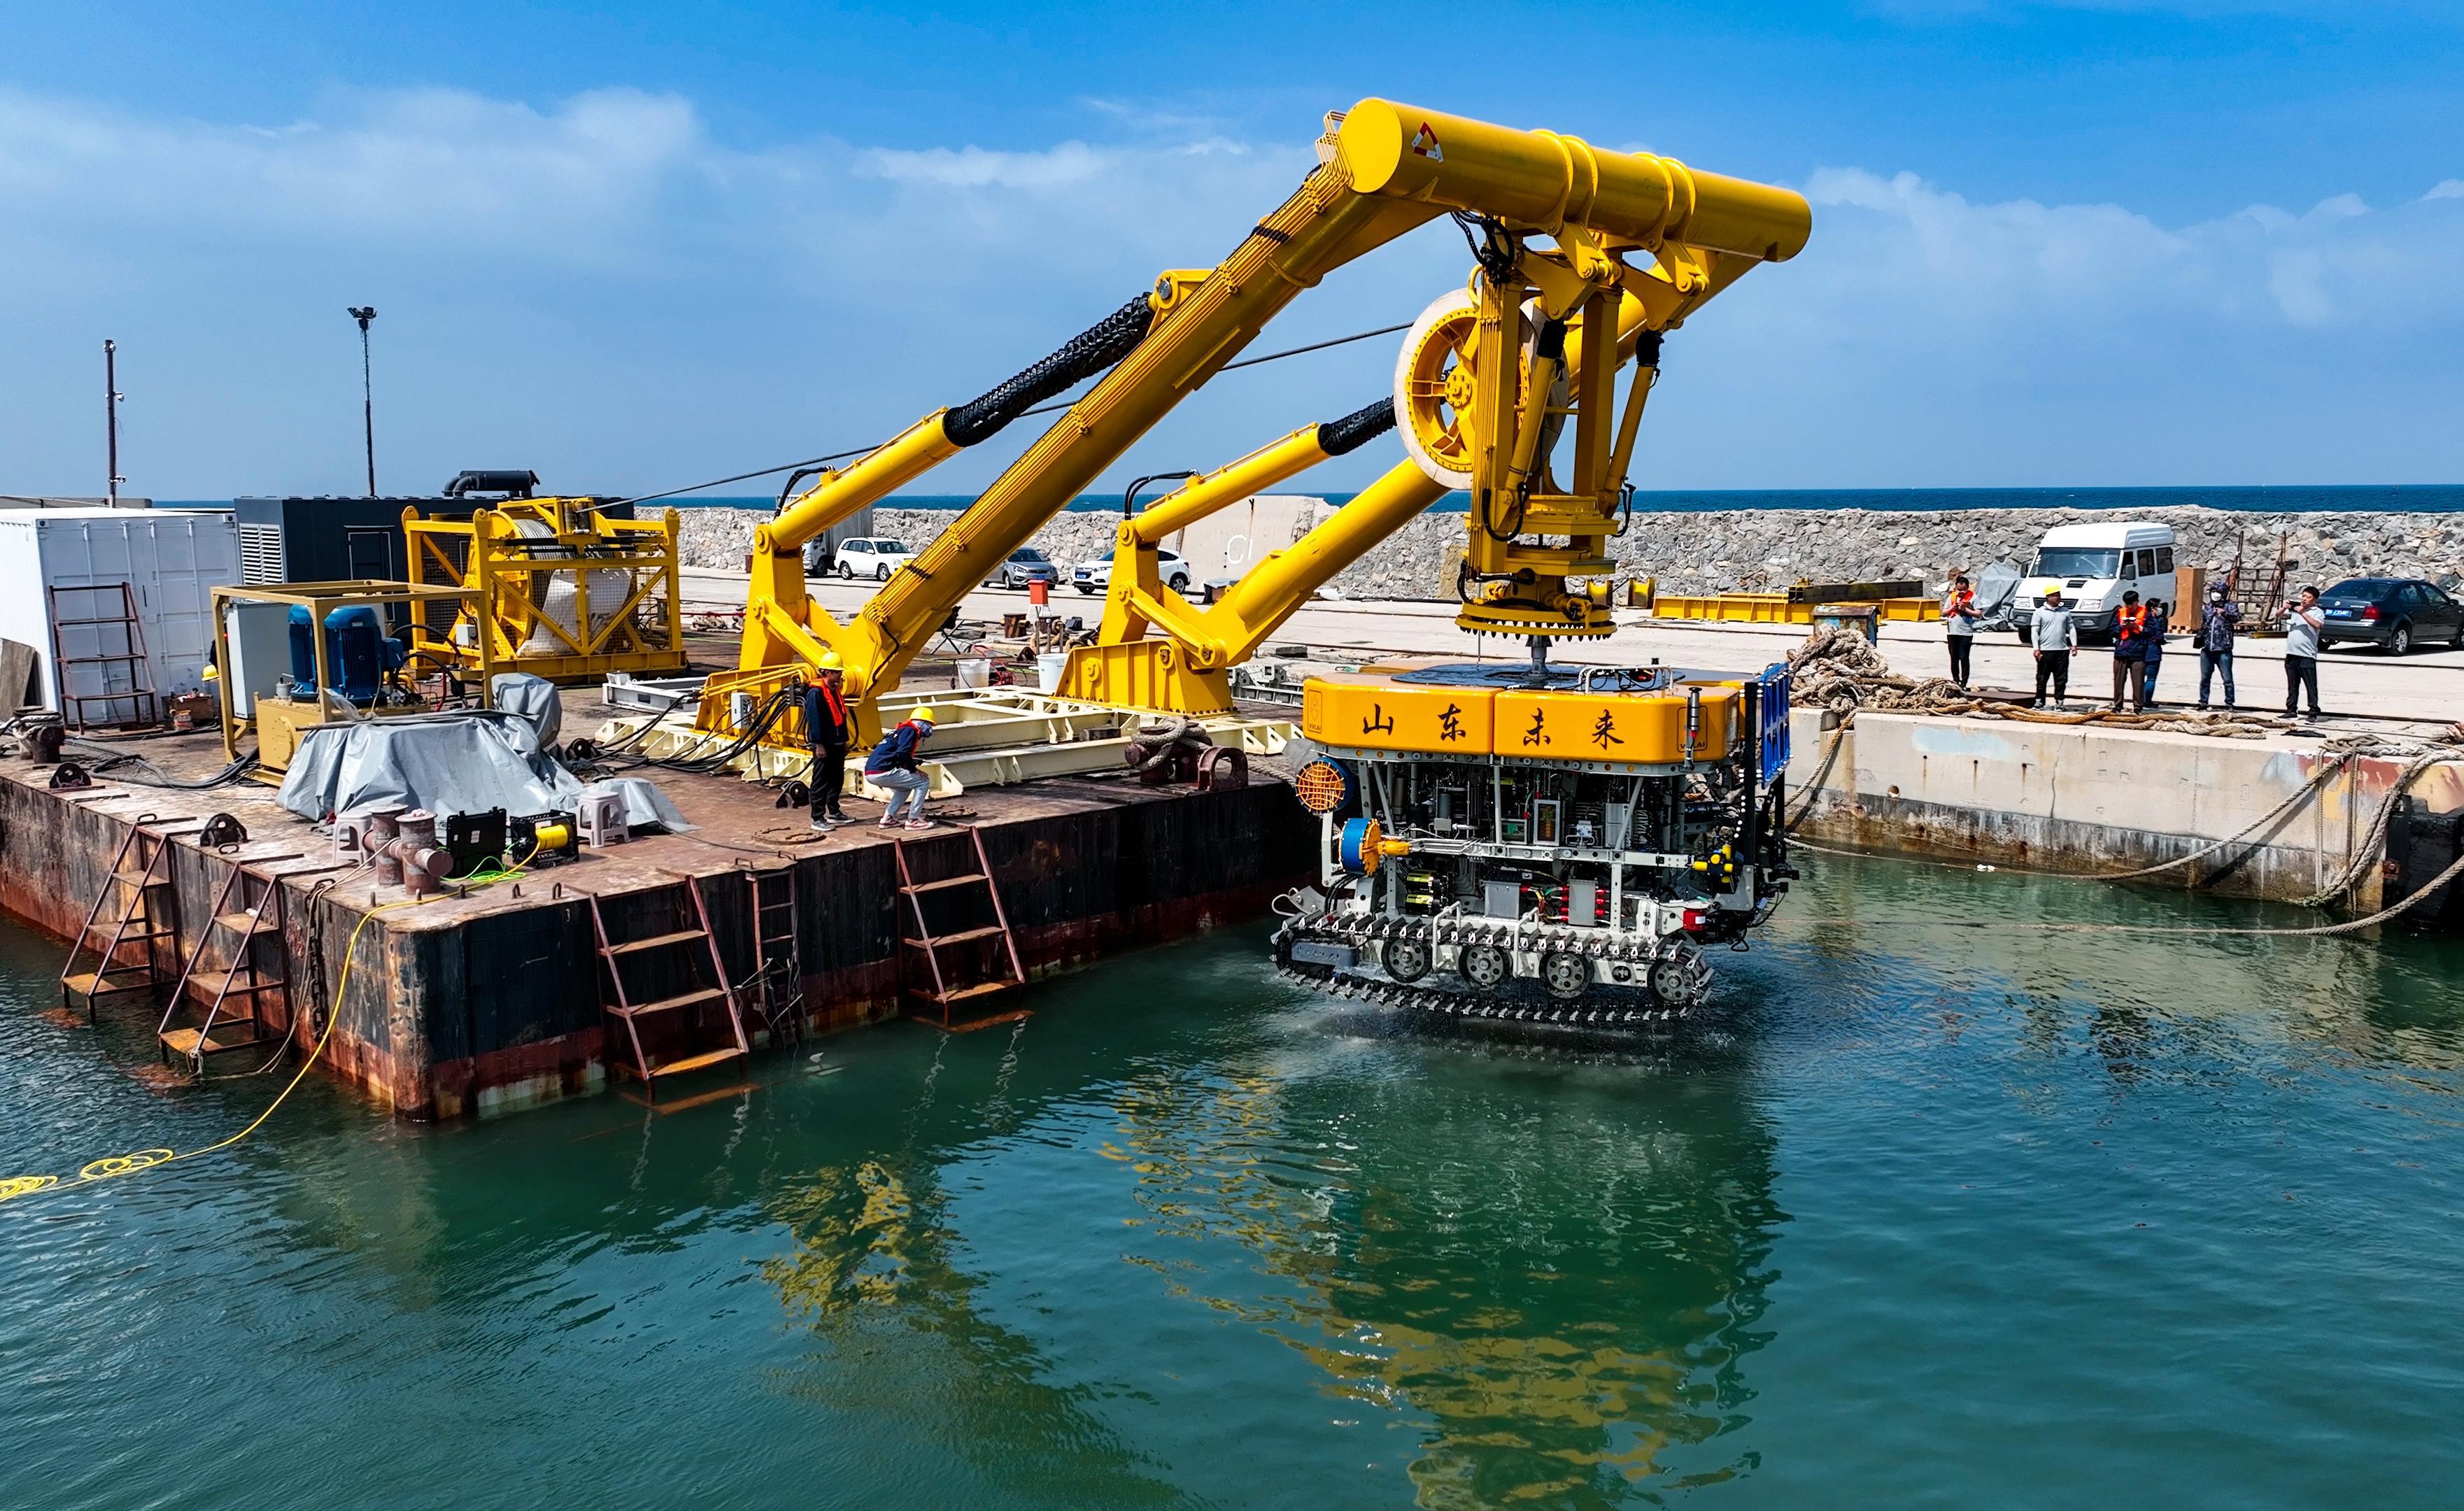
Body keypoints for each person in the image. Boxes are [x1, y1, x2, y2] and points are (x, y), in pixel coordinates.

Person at [800, 651, 853, 832]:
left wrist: (844, 741)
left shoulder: (834, 691)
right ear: (827, 672)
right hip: (824, 745)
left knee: (837, 779)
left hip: (837, 743)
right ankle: (817, 818)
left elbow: (841, 718)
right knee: (821, 781)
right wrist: (818, 744)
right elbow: (814, 720)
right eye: (837, 672)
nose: (840, 675)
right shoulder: (816, 693)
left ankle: (834, 812)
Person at [864, 705, 939, 829]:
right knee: (923, 782)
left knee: (904, 788)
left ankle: (887, 819)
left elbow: (894, 753)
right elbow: (903, 752)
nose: (930, 729)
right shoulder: (911, 731)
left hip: (872, 772)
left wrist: (912, 762)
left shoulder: (900, 731)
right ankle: (913, 821)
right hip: (883, 771)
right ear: (921, 723)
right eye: (929, 725)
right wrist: (913, 769)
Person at [2195, 583, 2240, 710]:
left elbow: (2236, 618)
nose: (2215, 594)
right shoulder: (2208, 607)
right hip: (2207, 649)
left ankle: (2229, 702)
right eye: (2213, 591)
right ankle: (2203, 702)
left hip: (2223, 649)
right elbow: (2204, 623)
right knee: (2205, 678)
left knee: (2227, 679)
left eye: (2218, 592)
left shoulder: (2230, 605)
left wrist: (2225, 613)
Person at [2284, 586, 2325, 720]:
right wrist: (2284, 608)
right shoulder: (2295, 611)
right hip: (2291, 654)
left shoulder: (2317, 612)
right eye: (2303, 596)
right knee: (2292, 685)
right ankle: (2291, 709)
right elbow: (2279, 616)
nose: (2304, 599)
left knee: (2310, 685)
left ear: (2314, 600)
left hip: (2307, 655)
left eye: (2308, 597)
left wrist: (2303, 613)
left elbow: (2318, 625)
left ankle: (2313, 711)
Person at [2031, 587, 2078, 708]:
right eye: (2055, 595)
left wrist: (2074, 645)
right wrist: (2036, 648)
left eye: (2059, 595)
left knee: (2061, 678)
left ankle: (2060, 701)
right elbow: (2034, 632)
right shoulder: (2039, 612)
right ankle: (2040, 700)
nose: (2058, 598)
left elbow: (2071, 628)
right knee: (2042, 677)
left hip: (2062, 651)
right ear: (2048, 597)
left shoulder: (2065, 612)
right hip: (2045, 651)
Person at [2108, 590, 2151, 712]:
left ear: (2137, 601)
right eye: (2127, 604)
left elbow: (2153, 632)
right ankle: (2118, 706)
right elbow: (2111, 630)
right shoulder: (2120, 613)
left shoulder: (2145, 613)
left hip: (2138, 652)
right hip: (2121, 652)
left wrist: (2139, 627)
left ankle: (2138, 706)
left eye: (2131, 604)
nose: (2129, 607)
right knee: (2118, 681)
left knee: (2138, 682)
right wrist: (2120, 627)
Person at [1941, 571, 1978, 689]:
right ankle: (1956, 680)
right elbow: (1944, 612)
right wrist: (1953, 608)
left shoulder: (1973, 598)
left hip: (1965, 633)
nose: (1961, 592)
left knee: (1964, 658)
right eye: (1959, 590)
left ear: (1967, 588)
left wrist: (1965, 609)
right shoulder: (1951, 597)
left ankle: (1964, 682)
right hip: (1952, 632)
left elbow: (1979, 614)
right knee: (1954, 658)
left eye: (1963, 590)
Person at [2139, 599, 2169, 709]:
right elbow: (2159, 636)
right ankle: (2147, 702)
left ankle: (2138, 700)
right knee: (2151, 679)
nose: (2160, 609)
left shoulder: (2142, 619)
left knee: (2139, 679)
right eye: (2159, 606)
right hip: (2153, 652)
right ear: (2153, 608)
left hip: (2140, 651)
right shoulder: (2156, 621)